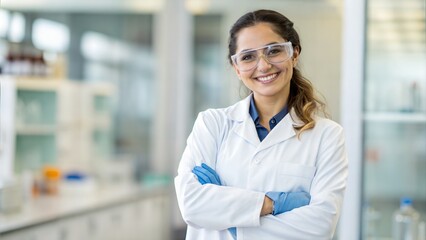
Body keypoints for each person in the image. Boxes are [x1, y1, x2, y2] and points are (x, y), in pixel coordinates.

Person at [174, 9, 348, 240]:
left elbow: (320, 225)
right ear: (237, 68)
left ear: (294, 54)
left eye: (274, 51)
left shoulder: (327, 136)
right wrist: (273, 204)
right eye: (248, 57)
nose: (264, 66)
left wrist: (230, 222)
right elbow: (191, 204)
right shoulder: (212, 124)